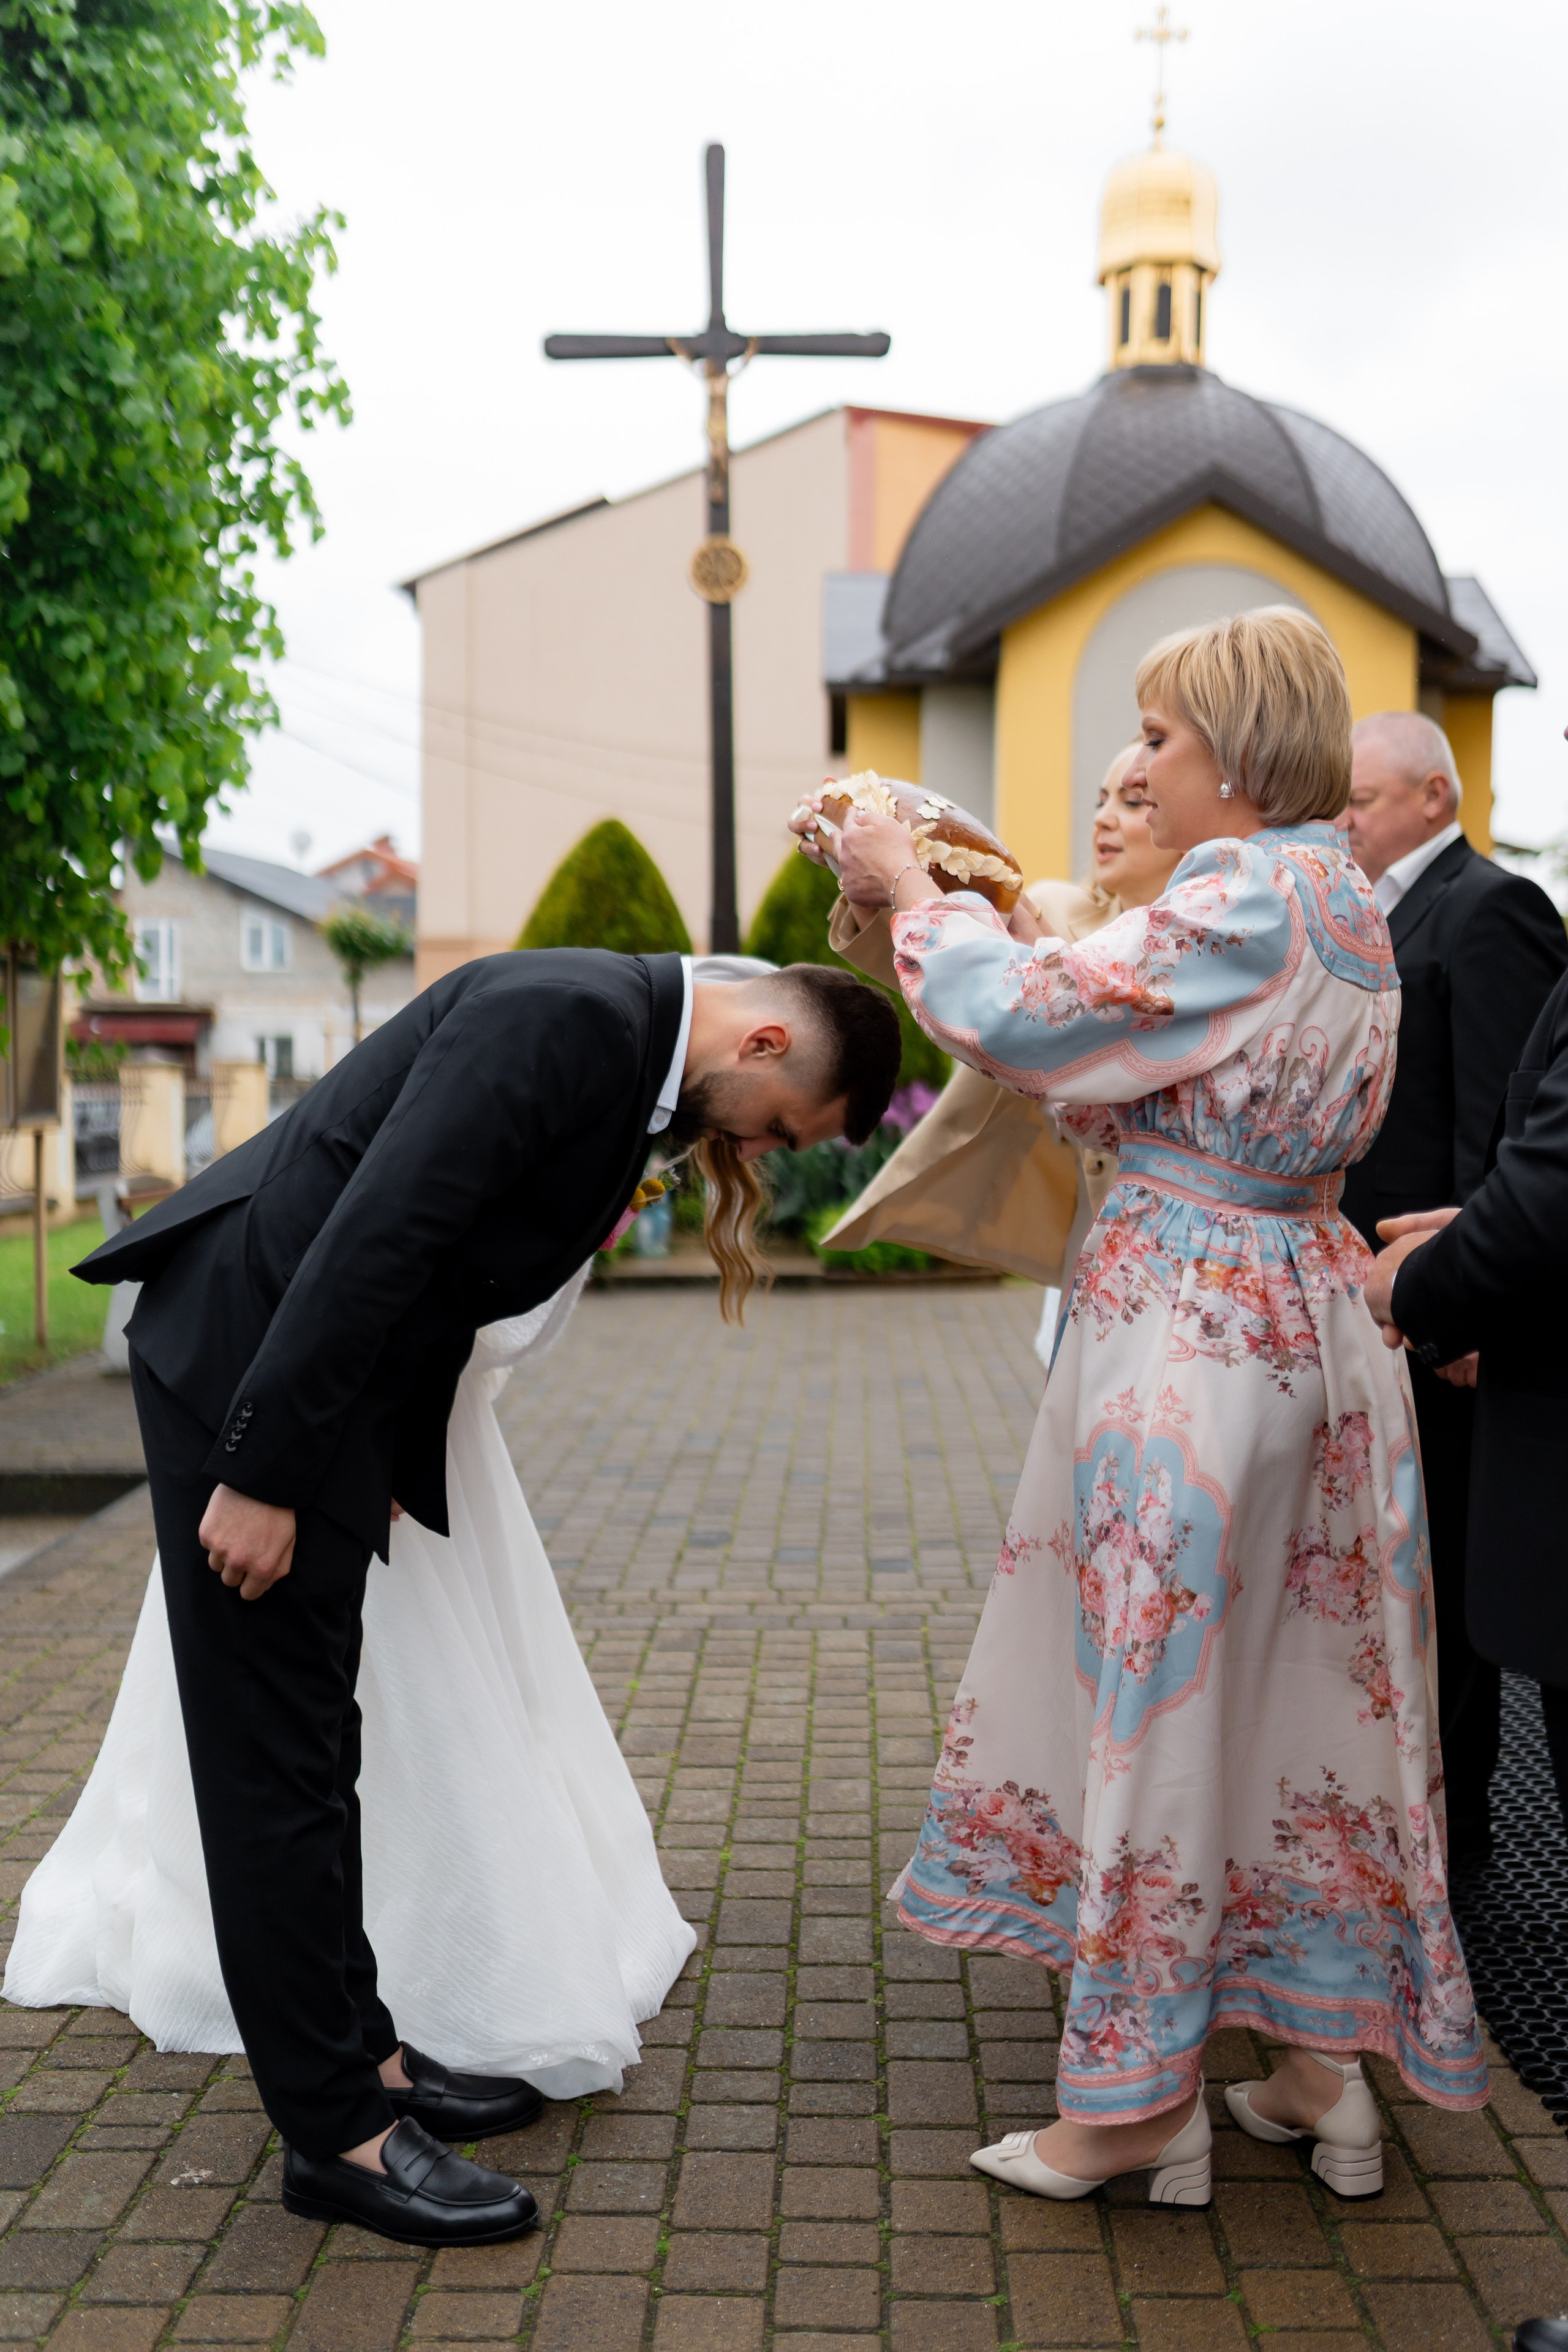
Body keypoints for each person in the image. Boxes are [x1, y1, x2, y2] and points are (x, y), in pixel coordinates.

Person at [58, 950, 900, 2247]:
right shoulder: (570, 1019)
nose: (762, 1150)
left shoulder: (621, 1045)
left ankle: (371, 2061)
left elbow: (442, 1267)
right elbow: (384, 1223)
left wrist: (381, 1458)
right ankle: (336, 2134)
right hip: (252, 1365)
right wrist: (270, 1468)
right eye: (780, 1126)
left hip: (312, 1384)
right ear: (770, 1045)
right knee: (269, 1763)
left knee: (315, 1748)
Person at [827, 608, 1486, 2211]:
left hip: (1191, 1338)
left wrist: (911, 889)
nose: (1131, 764)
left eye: (1158, 738)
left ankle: (1132, 2104)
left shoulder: (1245, 890)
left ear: (1242, 755)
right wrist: (953, 926)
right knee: (1303, 1694)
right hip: (1307, 1322)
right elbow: (1115, 1067)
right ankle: (1318, 2066)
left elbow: (1045, 1025)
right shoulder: (1339, 900)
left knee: (1159, 1692)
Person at [6, 1272, 697, 2093]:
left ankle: (372, 1979)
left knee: (386, 1695)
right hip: (339, 1393)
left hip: (391, 1389)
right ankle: (356, 1998)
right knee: (325, 1700)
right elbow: (409, 1273)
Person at [1340, 712, 1567, 1868]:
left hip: (1458, 1311)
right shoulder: (1370, 914)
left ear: (1437, 795)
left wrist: (1469, 1298)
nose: (1346, 820)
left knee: (1456, 1594)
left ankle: (1459, 1850)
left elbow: (1509, 1114)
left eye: (1365, 800)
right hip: (1413, 1287)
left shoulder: (1492, 910)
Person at [790, 748, 1180, 1353]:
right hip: (1088, 1227)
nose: (1103, 818)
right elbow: (950, 973)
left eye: (1130, 802)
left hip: (1176, 1241)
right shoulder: (1049, 907)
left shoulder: (1198, 943)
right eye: (1099, 800)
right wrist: (867, 881)